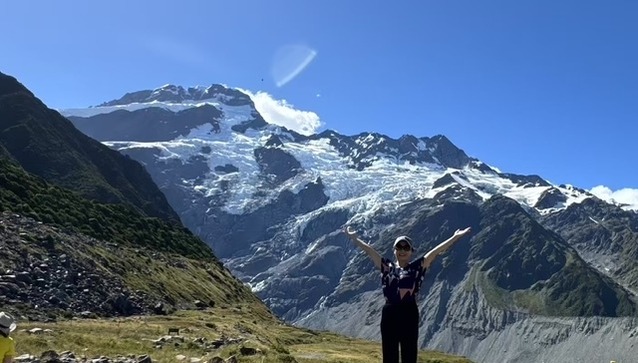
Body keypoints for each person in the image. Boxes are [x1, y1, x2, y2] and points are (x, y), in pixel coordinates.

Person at [344, 226, 472, 363]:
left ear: (411, 251)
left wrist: (455, 237)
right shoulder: (386, 266)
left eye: (406, 248)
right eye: (399, 247)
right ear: (394, 250)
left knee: (409, 353)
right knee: (389, 353)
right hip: (390, 313)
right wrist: (354, 238)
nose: (402, 251)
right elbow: (369, 251)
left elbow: (435, 251)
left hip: (409, 312)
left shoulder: (417, 267)